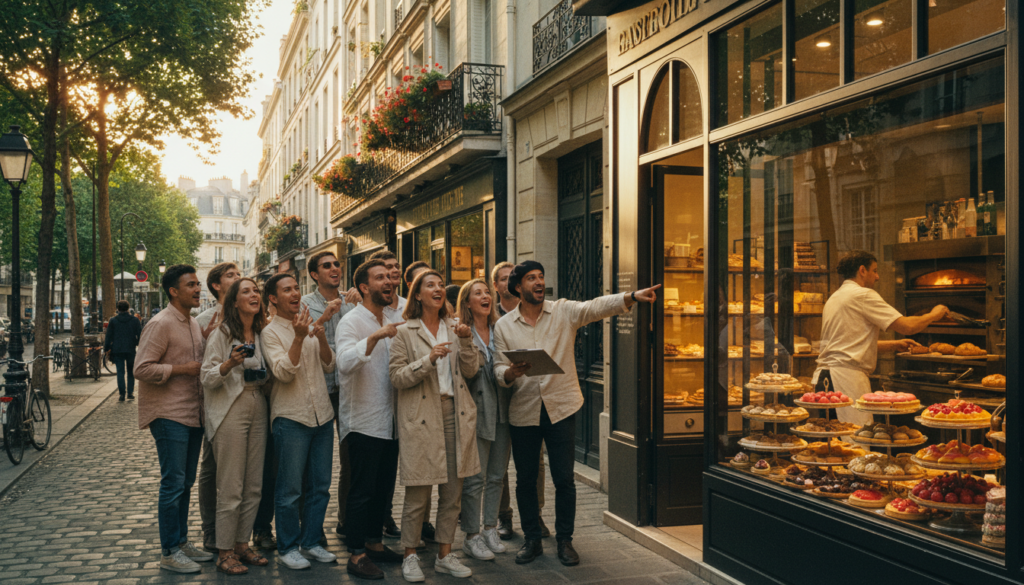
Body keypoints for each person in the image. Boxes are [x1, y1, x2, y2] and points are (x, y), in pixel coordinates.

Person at [494, 260, 661, 566]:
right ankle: (532, 540)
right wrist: (510, 373)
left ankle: (565, 541)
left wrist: (631, 297)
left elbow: (595, 307)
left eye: (541, 276)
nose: (539, 282)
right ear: (517, 287)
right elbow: (497, 368)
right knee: (526, 480)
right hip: (524, 410)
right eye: (531, 278)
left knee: (564, 480)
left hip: (561, 407)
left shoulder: (562, 311)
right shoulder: (503, 326)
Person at [390, 270, 479, 582]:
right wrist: (427, 360)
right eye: (431, 285)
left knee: (453, 491)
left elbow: (470, 370)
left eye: (441, 285)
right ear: (417, 294)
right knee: (418, 492)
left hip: (455, 412)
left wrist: (466, 341)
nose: (438, 289)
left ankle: (444, 553)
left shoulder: (455, 328)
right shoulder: (405, 332)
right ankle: (410, 554)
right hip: (422, 414)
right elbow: (397, 377)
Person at [134, 264, 215, 573]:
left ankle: (180, 542)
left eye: (198, 284)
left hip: (192, 413)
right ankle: (169, 551)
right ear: (173, 291)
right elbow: (141, 369)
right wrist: (181, 370)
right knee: (173, 483)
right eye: (191, 285)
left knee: (186, 482)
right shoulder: (161, 323)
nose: (198, 289)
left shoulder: (192, 323)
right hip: (169, 415)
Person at [814, 251, 947, 425]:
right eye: (874, 271)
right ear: (862, 270)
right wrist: (934, 314)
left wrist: (893, 344)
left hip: (824, 378)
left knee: (833, 442)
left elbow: (847, 343)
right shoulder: (863, 295)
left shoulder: (836, 297)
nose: (877, 277)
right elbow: (908, 326)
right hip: (846, 380)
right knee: (854, 442)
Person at [262, 272, 339, 570]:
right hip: (291, 418)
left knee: (320, 487)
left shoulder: (308, 324)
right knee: (290, 490)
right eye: (287, 290)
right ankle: (288, 546)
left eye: (296, 288)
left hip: (322, 415)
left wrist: (319, 337)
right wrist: (297, 336)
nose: (295, 294)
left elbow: (329, 364)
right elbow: (283, 372)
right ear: (273, 298)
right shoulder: (270, 332)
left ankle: (311, 542)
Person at [335, 260, 405, 580]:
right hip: (362, 421)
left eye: (390, 277)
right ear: (364, 287)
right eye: (380, 278)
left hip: (390, 421)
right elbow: (345, 363)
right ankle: (357, 554)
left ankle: (375, 543)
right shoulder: (351, 322)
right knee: (361, 492)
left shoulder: (394, 317)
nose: (388, 281)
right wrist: (375, 337)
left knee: (382, 489)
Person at [200, 278, 272, 575]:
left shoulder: (261, 332)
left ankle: (243, 543)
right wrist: (229, 364)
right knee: (230, 485)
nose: (254, 295)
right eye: (246, 291)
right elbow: (207, 377)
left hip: (258, 404)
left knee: (254, 484)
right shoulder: (221, 333)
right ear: (233, 301)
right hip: (230, 406)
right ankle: (225, 550)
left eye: (256, 291)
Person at [302, 251, 362, 541]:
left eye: (337, 264)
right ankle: (311, 528)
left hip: (350, 388)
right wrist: (326, 316)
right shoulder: (305, 304)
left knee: (352, 458)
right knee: (316, 465)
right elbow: (302, 339)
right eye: (327, 266)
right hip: (320, 389)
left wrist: (360, 306)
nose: (334, 269)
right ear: (315, 274)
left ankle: (348, 521)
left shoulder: (354, 302)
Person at [490, 261, 547, 540]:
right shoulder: (491, 317)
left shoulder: (538, 311)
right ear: (497, 285)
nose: (507, 282)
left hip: (529, 399)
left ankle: (535, 513)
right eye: (502, 278)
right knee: (500, 463)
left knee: (534, 463)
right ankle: (504, 516)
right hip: (500, 399)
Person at [456, 279, 510, 561]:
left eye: (487, 292)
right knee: (475, 479)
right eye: (478, 293)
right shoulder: (460, 331)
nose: (485, 296)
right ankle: (471, 535)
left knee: (496, 476)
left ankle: (490, 527)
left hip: (503, 410)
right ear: (467, 302)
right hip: (475, 412)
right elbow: (464, 372)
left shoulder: (500, 329)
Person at [196, 261, 242, 552]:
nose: (238, 278)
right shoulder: (202, 320)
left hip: (248, 404)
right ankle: (211, 530)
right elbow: (201, 368)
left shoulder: (252, 314)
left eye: (238, 274)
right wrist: (205, 341)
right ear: (216, 285)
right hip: (215, 404)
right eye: (231, 275)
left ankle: (244, 532)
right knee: (212, 468)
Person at [367, 249, 406, 539]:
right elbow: (342, 360)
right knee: (367, 475)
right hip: (371, 407)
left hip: (402, 401)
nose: (391, 275)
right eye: (383, 272)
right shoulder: (364, 313)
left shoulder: (407, 306)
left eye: (394, 269)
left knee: (391, 470)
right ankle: (368, 532)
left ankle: (383, 520)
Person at [104, 300, 142, 401]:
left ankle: (122, 394)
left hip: (117, 349)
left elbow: (108, 336)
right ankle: (130, 392)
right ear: (128, 308)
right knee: (130, 371)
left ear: (118, 308)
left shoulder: (113, 320)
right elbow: (140, 334)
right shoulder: (134, 320)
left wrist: (106, 348)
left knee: (120, 372)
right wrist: (138, 343)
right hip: (130, 349)